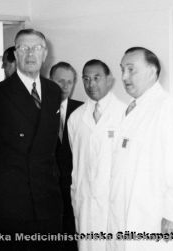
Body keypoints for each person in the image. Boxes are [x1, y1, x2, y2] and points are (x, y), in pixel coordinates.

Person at [0, 29, 63, 251]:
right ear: (15, 55)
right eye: (23, 48)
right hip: (10, 195)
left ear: (45, 53)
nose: (30, 54)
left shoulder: (53, 91)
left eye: (36, 48)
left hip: (47, 194)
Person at [108, 47, 173, 251]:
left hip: (157, 220)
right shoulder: (132, 109)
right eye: (122, 69)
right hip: (131, 216)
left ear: (152, 71)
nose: (124, 76)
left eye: (131, 70)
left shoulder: (169, 107)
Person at [67, 59, 126, 251]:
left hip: (115, 203)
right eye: (86, 79)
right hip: (84, 203)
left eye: (96, 78)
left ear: (109, 80)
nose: (90, 84)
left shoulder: (125, 114)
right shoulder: (76, 118)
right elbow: (76, 163)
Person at [50, 61, 82, 251]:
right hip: (46, 188)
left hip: (74, 187)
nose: (65, 86)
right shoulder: (36, 110)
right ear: (49, 81)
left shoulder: (82, 110)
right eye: (60, 81)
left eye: (69, 82)